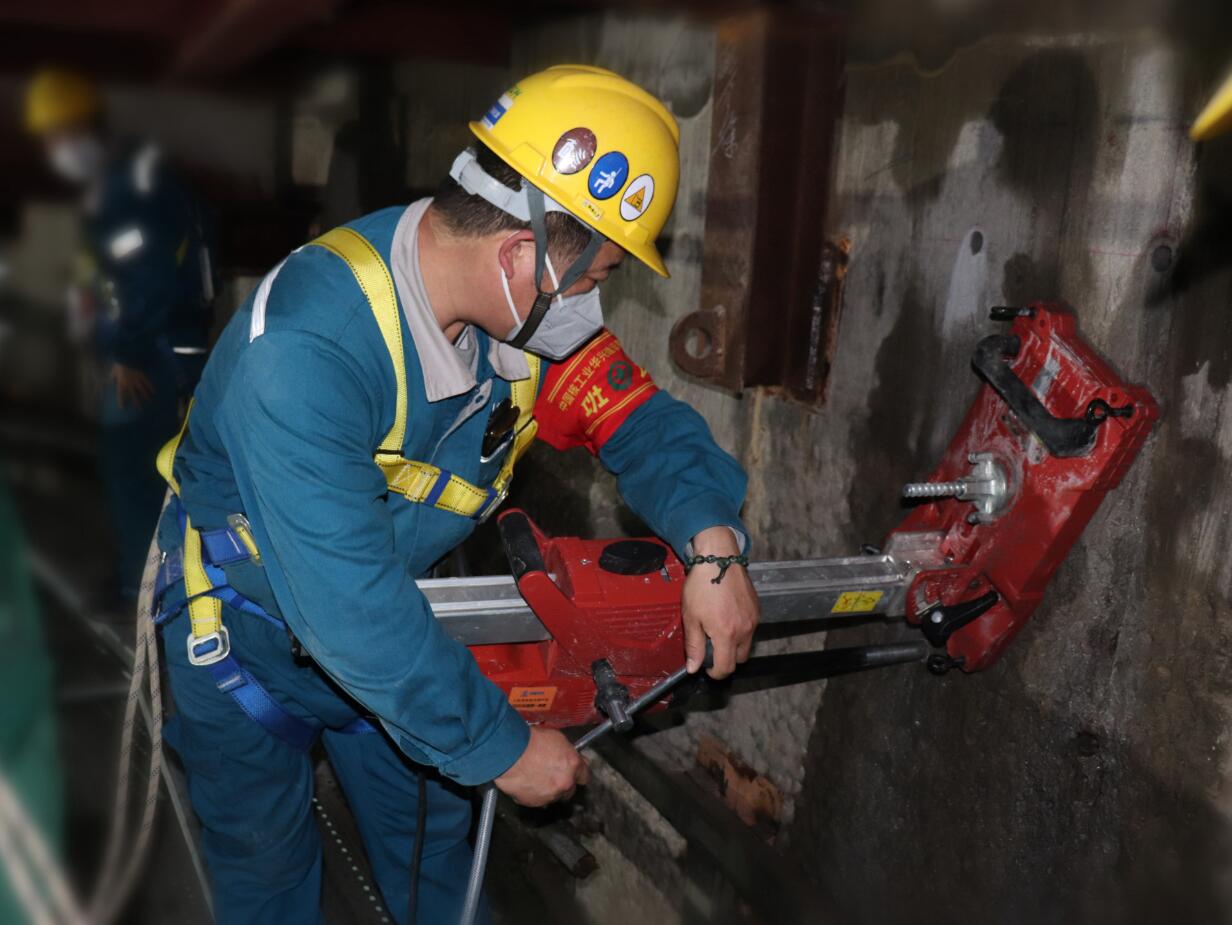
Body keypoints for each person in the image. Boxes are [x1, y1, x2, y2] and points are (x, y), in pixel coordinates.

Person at [152, 65, 759, 924]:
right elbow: (351, 610)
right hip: (247, 640)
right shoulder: (305, 354)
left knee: (433, 862)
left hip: (397, 627)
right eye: (592, 282)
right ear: (519, 255)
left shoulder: (523, 322)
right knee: (268, 875)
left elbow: (644, 426)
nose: (591, 310)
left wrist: (713, 546)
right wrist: (498, 747)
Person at [24, 68, 215, 600]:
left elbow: (149, 276)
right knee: (141, 469)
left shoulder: (130, 184)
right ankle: (141, 573)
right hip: (151, 347)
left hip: (151, 353)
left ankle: (144, 586)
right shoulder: (121, 178)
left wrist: (126, 351)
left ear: (87, 124)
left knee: (138, 471)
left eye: (61, 134)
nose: (56, 149)